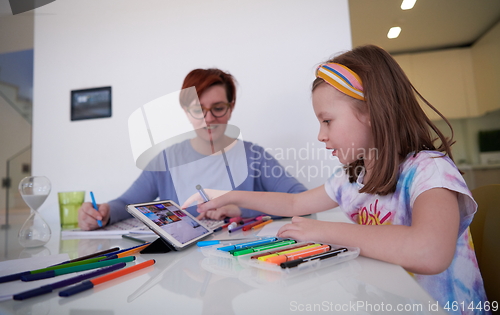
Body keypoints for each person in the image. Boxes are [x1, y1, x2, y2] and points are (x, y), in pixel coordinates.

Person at [187, 46, 488, 314]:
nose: (321, 135)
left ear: (371, 111)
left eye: (327, 120)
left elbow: (429, 252)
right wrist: (231, 196)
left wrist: (325, 231)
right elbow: (294, 201)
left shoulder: (429, 170)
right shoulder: (353, 176)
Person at [78, 68, 307, 230]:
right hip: (183, 265)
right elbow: (127, 204)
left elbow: (301, 201)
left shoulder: (253, 156)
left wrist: (241, 210)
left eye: (218, 108)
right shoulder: (166, 160)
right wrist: (103, 212)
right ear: (186, 111)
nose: (209, 118)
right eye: (198, 109)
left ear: (231, 107)